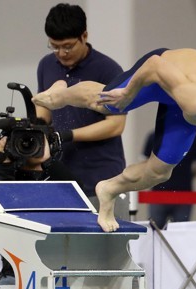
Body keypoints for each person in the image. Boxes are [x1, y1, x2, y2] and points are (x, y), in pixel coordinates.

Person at [33, 47, 196, 232]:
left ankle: (108, 189)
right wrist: (128, 94)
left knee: (160, 172)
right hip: (166, 70)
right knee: (108, 104)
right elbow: (154, 65)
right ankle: (60, 93)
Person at [35, 3, 128, 217]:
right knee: (59, 248)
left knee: (107, 249)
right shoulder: (46, 66)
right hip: (60, 178)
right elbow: (45, 111)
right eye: (54, 46)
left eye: (67, 46)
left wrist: (68, 135)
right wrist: (36, 127)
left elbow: (116, 124)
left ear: (84, 36)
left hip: (103, 179)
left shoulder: (108, 70)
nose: (61, 53)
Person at [0, 120, 78, 289]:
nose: (27, 144)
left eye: (35, 139)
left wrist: (47, 162)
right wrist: (3, 161)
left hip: (57, 273)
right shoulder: (4, 173)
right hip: (14, 275)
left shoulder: (57, 174)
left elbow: (75, 196)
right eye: (21, 139)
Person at [142, 131, 196, 229]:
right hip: (159, 193)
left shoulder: (193, 137)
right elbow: (144, 163)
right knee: (155, 232)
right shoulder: (154, 136)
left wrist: (191, 175)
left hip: (182, 193)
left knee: (180, 232)